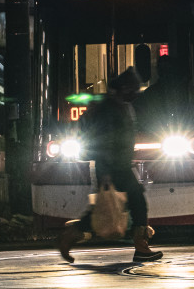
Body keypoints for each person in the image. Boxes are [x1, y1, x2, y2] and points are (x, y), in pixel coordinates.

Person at [57, 67, 163, 263]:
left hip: (119, 165)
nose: (137, 92)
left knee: (108, 206)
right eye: (133, 88)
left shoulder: (122, 106)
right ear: (124, 88)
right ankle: (140, 247)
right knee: (131, 203)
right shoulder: (109, 109)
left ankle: (70, 236)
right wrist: (105, 172)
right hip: (112, 167)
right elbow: (104, 142)